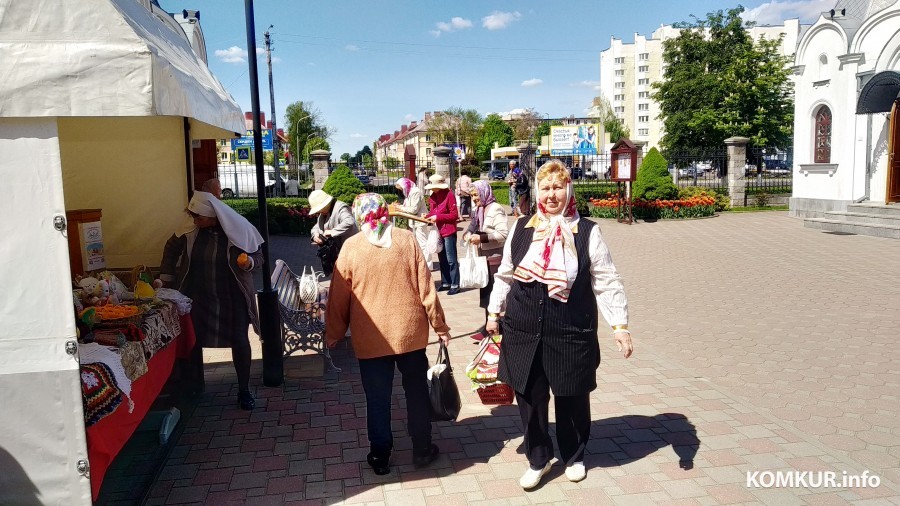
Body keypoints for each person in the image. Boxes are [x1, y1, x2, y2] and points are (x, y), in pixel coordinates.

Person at [486, 159, 633, 489]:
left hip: (569, 330)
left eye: (558, 187)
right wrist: (494, 313)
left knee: (572, 396)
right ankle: (538, 458)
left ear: (569, 189)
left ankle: (575, 454)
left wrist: (619, 325)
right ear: (538, 190)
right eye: (546, 187)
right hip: (523, 329)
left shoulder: (588, 232)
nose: (552, 194)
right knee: (530, 398)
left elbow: (606, 280)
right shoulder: (522, 227)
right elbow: (506, 274)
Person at [326, 193, 451, 476]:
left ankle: (380, 454)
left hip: (371, 338)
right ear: (385, 211)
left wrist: (333, 332)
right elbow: (426, 288)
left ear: (359, 216)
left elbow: (338, 297)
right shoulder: (406, 240)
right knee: (417, 392)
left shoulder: (351, 248)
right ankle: (421, 448)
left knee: (377, 398)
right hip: (410, 334)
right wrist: (440, 326)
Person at [158, 191, 264, 410]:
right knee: (193, 340)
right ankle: (194, 385)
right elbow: (170, 250)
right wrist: (166, 280)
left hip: (232, 295)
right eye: (194, 217)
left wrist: (249, 263)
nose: (195, 221)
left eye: (200, 217)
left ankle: (244, 390)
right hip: (198, 295)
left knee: (239, 340)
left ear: (213, 215)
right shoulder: (190, 231)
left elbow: (259, 256)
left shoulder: (238, 229)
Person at [462, 180, 509, 341]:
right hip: (484, 259)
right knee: (486, 297)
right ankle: (489, 328)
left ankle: (497, 329)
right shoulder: (479, 209)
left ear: (484, 192)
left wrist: (481, 238)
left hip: (495, 260)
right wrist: (467, 233)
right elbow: (473, 225)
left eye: (476, 195)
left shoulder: (496, 209)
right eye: (472, 195)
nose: (474, 198)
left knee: (494, 296)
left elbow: (503, 234)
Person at [424, 174, 460, 294]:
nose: (432, 189)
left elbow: (454, 215)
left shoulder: (449, 195)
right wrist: (427, 216)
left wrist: (437, 217)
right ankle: (446, 282)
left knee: (451, 259)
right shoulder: (433, 196)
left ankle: (455, 284)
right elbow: (433, 212)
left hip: (449, 231)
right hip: (438, 231)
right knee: (442, 258)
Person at [308, 189, 357, 276]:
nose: (318, 212)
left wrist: (332, 232)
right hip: (337, 253)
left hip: (350, 251)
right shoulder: (323, 213)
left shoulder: (341, 207)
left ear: (326, 203)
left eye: (319, 209)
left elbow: (349, 222)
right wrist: (315, 235)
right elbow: (316, 227)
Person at [390, 177, 428, 255]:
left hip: (420, 222)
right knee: (415, 246)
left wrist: (399, 208)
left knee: (423, 245)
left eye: (401, 189)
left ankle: (427, 265)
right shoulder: (409, 192)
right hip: (413, 223)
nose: (401, 191)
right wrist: (399, 206)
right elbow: (407, 206)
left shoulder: (415, 192)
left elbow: (413, 210)